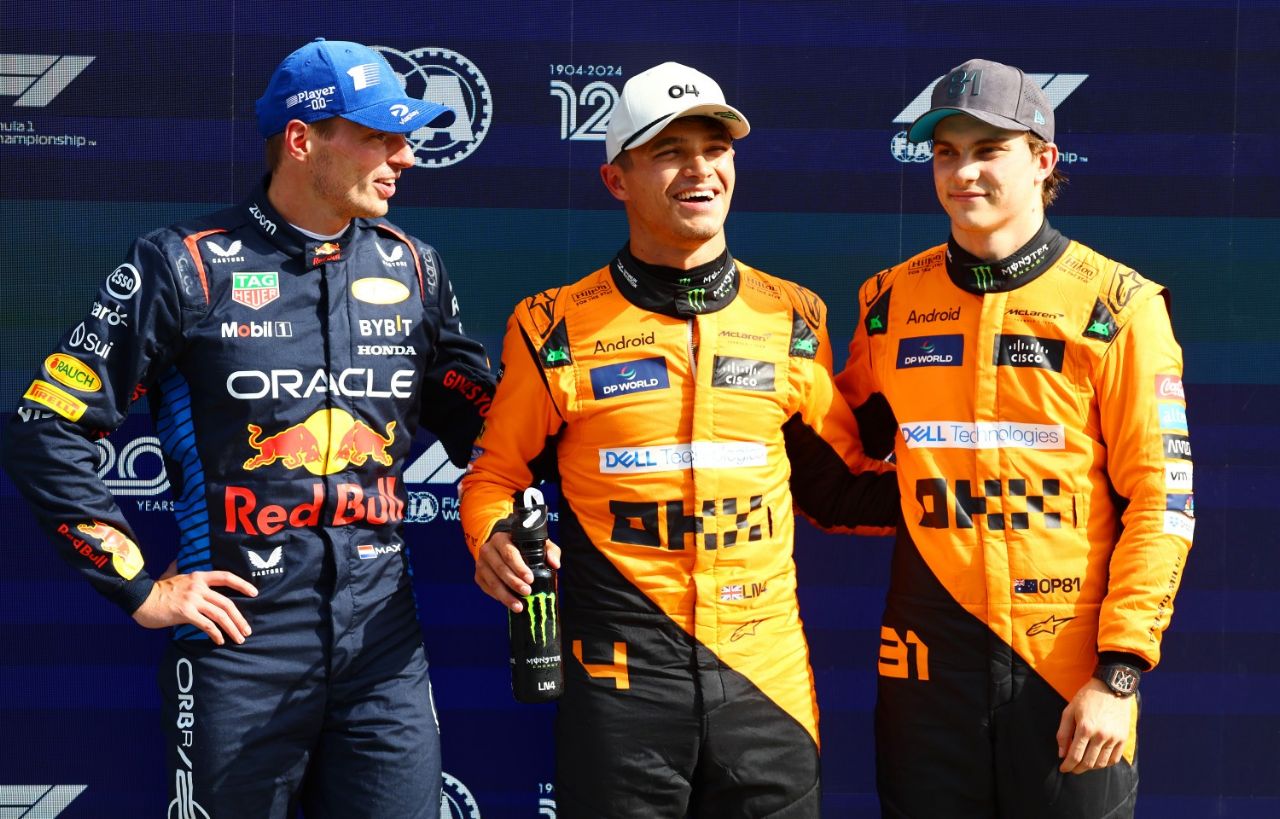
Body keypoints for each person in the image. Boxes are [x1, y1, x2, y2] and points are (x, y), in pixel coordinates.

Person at [2, 38, 495, 819]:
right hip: (240, 644)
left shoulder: (414, 267)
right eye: (378, 135)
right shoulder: (184, 264)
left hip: (382, 649)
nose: (404, 155)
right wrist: (137, 584)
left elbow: (487, 423)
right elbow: (45, 425)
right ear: (303, 140)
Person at [459, 61, 897, 818]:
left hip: (768, 682)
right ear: (616, 179)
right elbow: (495, 475)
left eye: (715, 147)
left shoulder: (793, 316)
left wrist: (978, 469)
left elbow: (839, 486)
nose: (699, 168)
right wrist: (491, 534)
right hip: (621, 685)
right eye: (668, 150)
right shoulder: (553, 325)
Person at [835, 58, 1193, 817]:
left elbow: (1163, 501)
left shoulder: (1119, 304)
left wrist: (1119, 674)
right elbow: (837, 457)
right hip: (926, 672)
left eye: (987, 149)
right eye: (945, 151)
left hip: (1066, 677)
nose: (963, 171)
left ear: (1042, 159)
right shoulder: (887, 303)